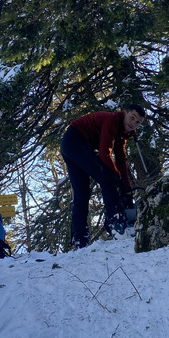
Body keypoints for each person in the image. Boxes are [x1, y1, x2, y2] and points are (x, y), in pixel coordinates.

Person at [60, 104, 146, 249]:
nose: (133, 123)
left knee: (82, 193)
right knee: (108, 179)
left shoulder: (123, 132)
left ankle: (79, 240)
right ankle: (116, 223)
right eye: (132, 117)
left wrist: (126, 187)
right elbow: (104, 153)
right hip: (75, 141)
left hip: (71, 144)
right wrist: (117, 178)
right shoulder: (112, 120)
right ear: (124, 113)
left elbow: (120, 158)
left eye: (138, 122)